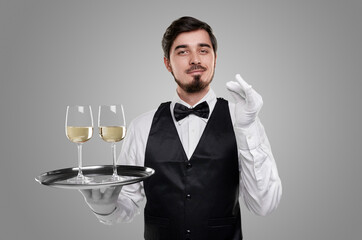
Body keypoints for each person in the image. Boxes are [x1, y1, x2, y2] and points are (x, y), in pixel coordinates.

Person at [80, 16, 282, 240]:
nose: (195, 59)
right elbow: (127, 203)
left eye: (203, 50)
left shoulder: (243, 120)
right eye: (183, 51)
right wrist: (105, 207)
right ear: (167, 63)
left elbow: (264, 206)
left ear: (215, 58)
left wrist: (248, 127)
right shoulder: (141, 126)